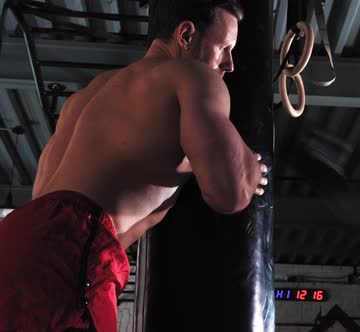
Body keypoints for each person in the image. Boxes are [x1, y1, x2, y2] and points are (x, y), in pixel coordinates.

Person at [0, 0, 267, 331]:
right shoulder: (192, 76)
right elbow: (229, 192)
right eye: (224, 47)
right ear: (186, 34)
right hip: (71, 249)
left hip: (14, 242)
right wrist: (253, 170)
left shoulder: (86, 97)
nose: (229, 64)